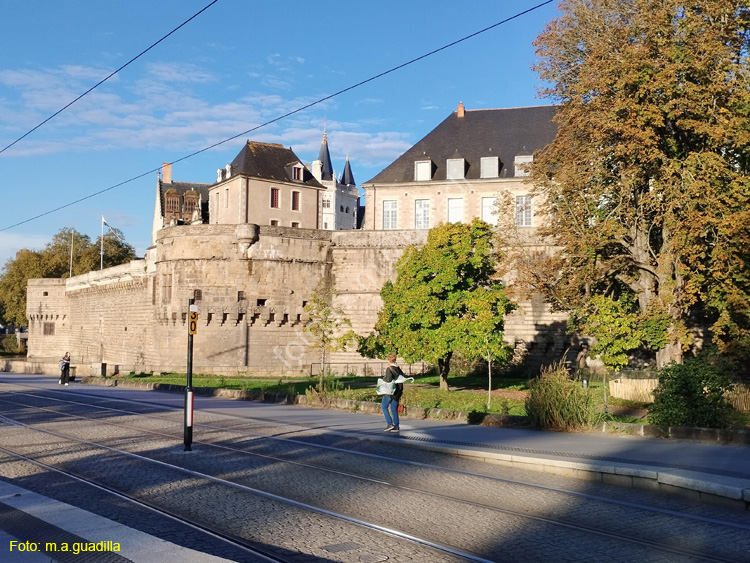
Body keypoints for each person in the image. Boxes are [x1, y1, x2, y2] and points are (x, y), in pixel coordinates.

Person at [382, 353, 404, 432]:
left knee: (384, 406)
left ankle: (389, 423)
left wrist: (383, 379)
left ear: (388, 360)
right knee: (393, 409)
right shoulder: (398, 368)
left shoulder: (389, 369)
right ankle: (396, 426)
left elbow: (389, 380)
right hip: (398, 391)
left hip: (390, 391)